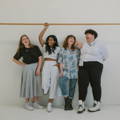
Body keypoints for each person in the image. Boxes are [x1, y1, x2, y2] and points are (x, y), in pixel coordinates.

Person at [77, 29, 108, 113]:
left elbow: (105, 56)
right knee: (82, 84)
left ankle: (97, 103)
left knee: (95, 83)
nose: (87, 36)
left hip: (96, 65)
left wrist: (97, 61)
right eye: (86, 34)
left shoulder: (100, 44)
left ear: (94, 35)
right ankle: (81, 104)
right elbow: (81, 54)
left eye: (89, 34)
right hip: (83, 65)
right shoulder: (83, 44)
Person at [13, 34, 43, 111]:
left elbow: (40, 58)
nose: (25, 40)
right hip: (27, 68)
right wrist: (23, 65)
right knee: (28, 85)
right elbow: (14, 59)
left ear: (29, 39)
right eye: (23, 39)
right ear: (22, 42)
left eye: (26, 38)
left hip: (36, 67)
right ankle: (26, 103)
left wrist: (38, 68)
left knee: (36, 84)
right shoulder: (21, 50)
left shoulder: (35, 47)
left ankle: (35, 102)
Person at [39, 23, 61, 112]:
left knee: (54, 84)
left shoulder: (58, 48)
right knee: (44, 81)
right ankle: (45, 89)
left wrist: (58, 65)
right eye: (49, 39)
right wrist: (45, 28)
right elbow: (40, 38)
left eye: (52, 40)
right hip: (46, 64)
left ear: (55, 41)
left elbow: (62, 58)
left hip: (54, 65)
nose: (50, 41)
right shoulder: (45, 47)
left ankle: (49, 103)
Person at [58, 35, 80, 110]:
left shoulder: (77, 50)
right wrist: (61, 71)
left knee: (72, 87)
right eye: (70, 38)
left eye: (73, 39)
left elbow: (79, 60)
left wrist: (78, 69)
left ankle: (69, 103)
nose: (71, 40)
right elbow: (60, 61)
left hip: (74, 71)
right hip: (65, 71)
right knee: (61, 82)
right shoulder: (62, 49)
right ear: (67, 40)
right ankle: (67, 100)